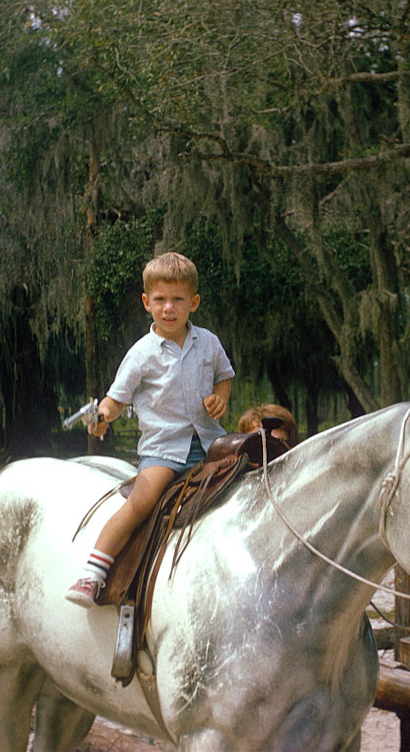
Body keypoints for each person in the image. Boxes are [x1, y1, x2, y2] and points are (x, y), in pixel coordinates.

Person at [66, 252, 234, 607]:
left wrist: (220, 399)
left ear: (194, 302)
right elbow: (116, 399)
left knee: (250, 478)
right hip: (164, 449)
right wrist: (103, 417)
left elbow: (224, 377)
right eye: (160, 300)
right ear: (147, 302)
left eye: (178, 299)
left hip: (211, 441)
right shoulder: (141, 353)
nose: (169, 308)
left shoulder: (209, 343)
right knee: (142, 502)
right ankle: (93, 572)